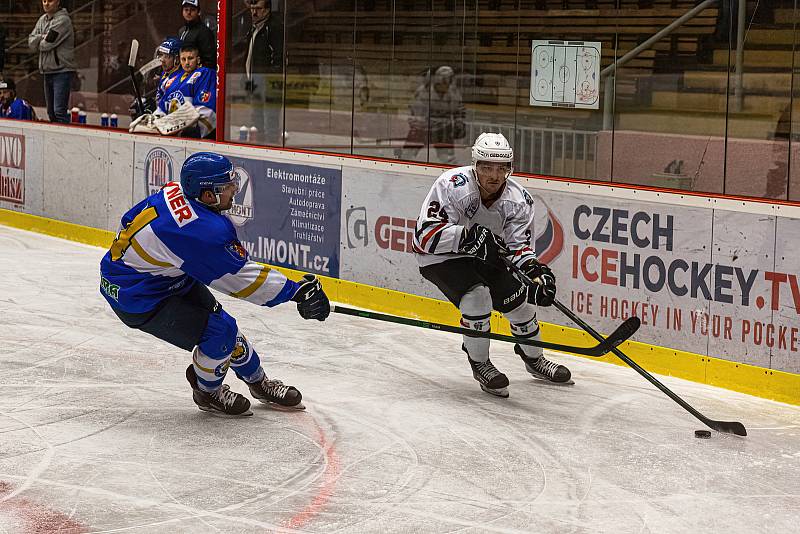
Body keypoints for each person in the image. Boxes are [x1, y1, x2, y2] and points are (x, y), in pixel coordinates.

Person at [99, 152, 331, 417]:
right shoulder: (199, 231)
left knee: (225, 327)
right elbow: (243, 281)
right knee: (220, 334)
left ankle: (258, 383)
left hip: (160, 278)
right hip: (137, 296)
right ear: (208, 195)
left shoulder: (180, 192)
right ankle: (207, 392)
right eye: (227, 186)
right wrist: (297, 292)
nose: (234, 189)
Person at [413, 132, 570, 398]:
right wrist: (467, 236)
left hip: (485, 256)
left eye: (501, 168)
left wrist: (533, 272)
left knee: (521, 305)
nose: (493, 176)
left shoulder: (519, 201)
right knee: (477, 298)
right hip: (441, 257)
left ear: (509, 169)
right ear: (475, 165)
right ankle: (480, 363)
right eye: (486, 167)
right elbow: (423, 238)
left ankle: (534, 358)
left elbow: (518, 248)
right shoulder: (451, 185)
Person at [398, 66, 466, 165]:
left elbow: (459, 109)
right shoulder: (424, 92)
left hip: (443, 129)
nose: (446, 83)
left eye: (449, 80)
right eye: (444, 79)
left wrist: (459, 122)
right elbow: (417, 112)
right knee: (407, 155)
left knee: (448, 158)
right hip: (422, 128)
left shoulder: (453, 92)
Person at [241, 0, 284, 145]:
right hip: (253, 79)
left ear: (267, 10)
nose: (254, 12)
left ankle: (271, 147)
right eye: (252, 9)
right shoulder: (253, 28)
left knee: (270, 117)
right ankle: (259, 146)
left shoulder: (274, 28)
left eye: (258, 9)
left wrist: (272, 79)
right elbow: (248, 55)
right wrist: (245, 76)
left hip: (268, 80)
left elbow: (279, 56)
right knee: (256, 116)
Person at [153, 44, 216, 138]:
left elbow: (207, 108)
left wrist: (196, 131)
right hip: (173, 134)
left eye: (190, 58)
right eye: (183, 59)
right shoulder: (174, 79)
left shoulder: (204, 73)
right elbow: (162, 107)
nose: (187, 62)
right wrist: (154, 122)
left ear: (198, 60)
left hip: (193, 138)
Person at [28, 0, 76, 123]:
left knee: (59, 111)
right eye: (44, 1)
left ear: (58, 2)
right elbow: (31, 43)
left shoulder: (63, 20)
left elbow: (46, 44)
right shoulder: (42, 19)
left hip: (62, 71)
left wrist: (40, 38)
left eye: (50, 1)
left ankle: (65, 139)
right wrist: (42, 36)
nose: (46, 3)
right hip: (47, 70)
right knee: (51, 112)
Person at [177, 0, 216, 69]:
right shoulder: (181, 30)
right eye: (186, 10)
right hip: (183, 74)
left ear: (199, 12)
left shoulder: (204, 32)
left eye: (192, 10)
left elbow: (210, 60)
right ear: (182, 12)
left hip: (198, 74)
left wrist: (199, 74)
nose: (189, 13)